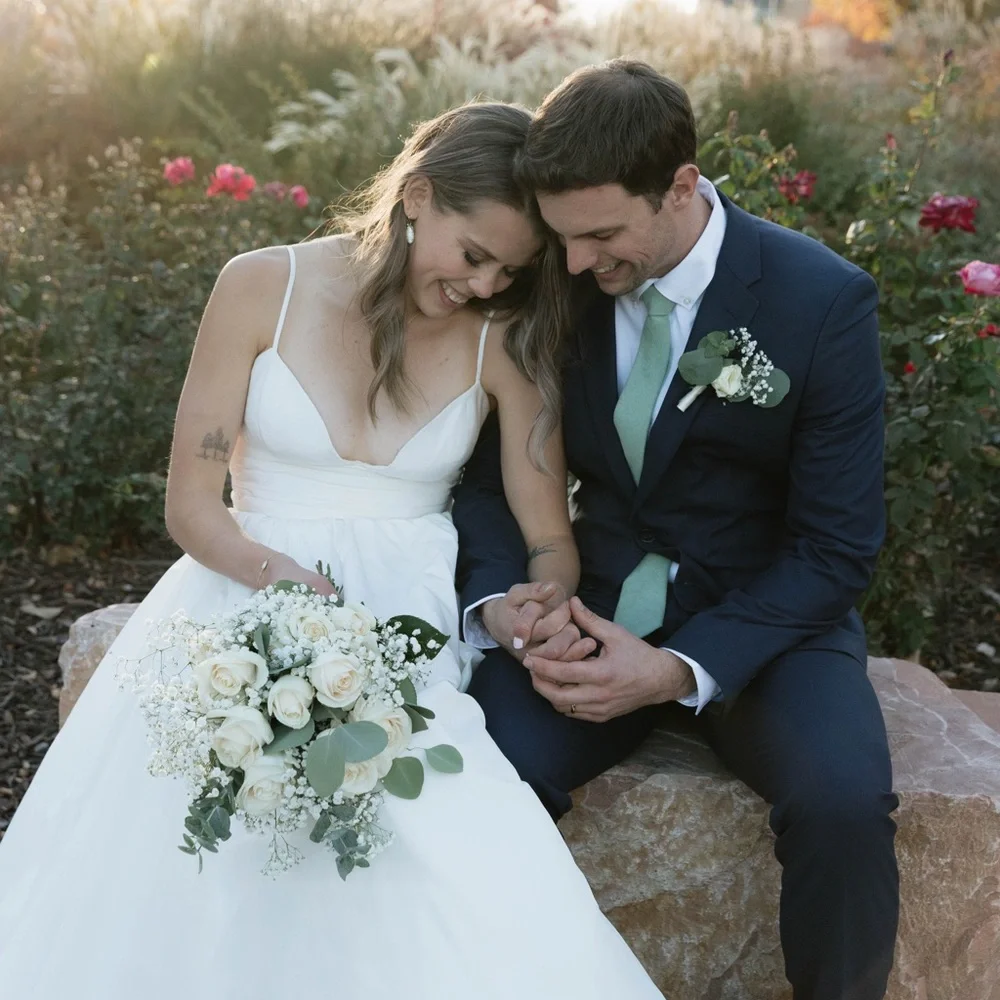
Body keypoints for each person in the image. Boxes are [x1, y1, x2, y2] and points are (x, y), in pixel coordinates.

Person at [0, 103, 664, 999]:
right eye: (473, 255)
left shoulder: (502, 338)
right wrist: (282, 584)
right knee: (188, 838)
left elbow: (549, 537)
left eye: (509, 270)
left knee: (437, 841)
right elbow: (191, 505)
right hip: (236, 597)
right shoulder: (258, 285)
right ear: (417, 196)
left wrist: (536, 602)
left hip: (401, 635)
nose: (482, 284)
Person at [455, 62, 899, 1000]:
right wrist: (503, 601)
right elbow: (491, 482)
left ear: (682, 186)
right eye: (563, 237)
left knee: (844, 804)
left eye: (603, 234)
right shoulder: (559, 283)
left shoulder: (821, 302)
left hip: (767, 625)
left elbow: (836, 547)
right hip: (589, 608)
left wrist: (674, 670)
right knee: (476, 772)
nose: (577, 263)